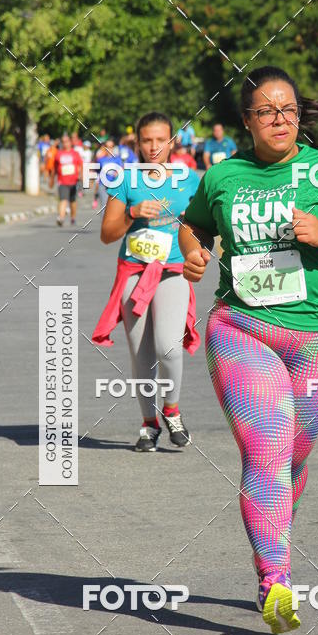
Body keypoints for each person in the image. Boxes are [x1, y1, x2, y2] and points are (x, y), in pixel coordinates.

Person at [179, 66, 318, 634]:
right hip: (240, 328)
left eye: (288, 110)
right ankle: (276, 582)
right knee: (266, 450)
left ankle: (272, 538)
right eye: (266, 111)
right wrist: (193, 254)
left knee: (292, 456)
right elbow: (191, 227)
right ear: (247, 121)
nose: (279, 120)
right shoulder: (222, 177)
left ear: (299, 115)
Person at [92, 112, 202, 452]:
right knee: (141, 354)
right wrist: (131, 214)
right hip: (134, 272)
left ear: (172, 142)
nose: (154, 147)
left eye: (161, 140)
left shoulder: (189, 179)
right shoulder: (124, 179)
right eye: (147, 140)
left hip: (173, 272)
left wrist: (201, 251)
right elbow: (107, 235)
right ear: (137, 143)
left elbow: (202, 227)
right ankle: (148, 424)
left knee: (168, 346)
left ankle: (171, 409)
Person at [50, 134, 83, 226]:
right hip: (62, 181)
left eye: (67, 141)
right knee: (63, 199)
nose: (65, 144)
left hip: (74, 181)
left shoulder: (75, 154)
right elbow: (54, 168)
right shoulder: (58, 154)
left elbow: (81, 165)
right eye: (63, 142)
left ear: (70, 142)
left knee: (73, 201)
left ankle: (73, 218)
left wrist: (81, 176)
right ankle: (61, 218)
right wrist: (52, 180)